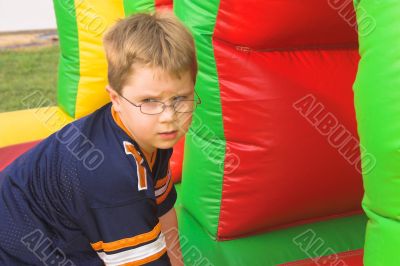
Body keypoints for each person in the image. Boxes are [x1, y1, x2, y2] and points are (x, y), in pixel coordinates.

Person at [0, 11, 199, 265]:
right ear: (115, 99)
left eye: (179, 98)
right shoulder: (114, 176)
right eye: (149, 101)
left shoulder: (149, 131)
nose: (169, 116)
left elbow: (163, 210)